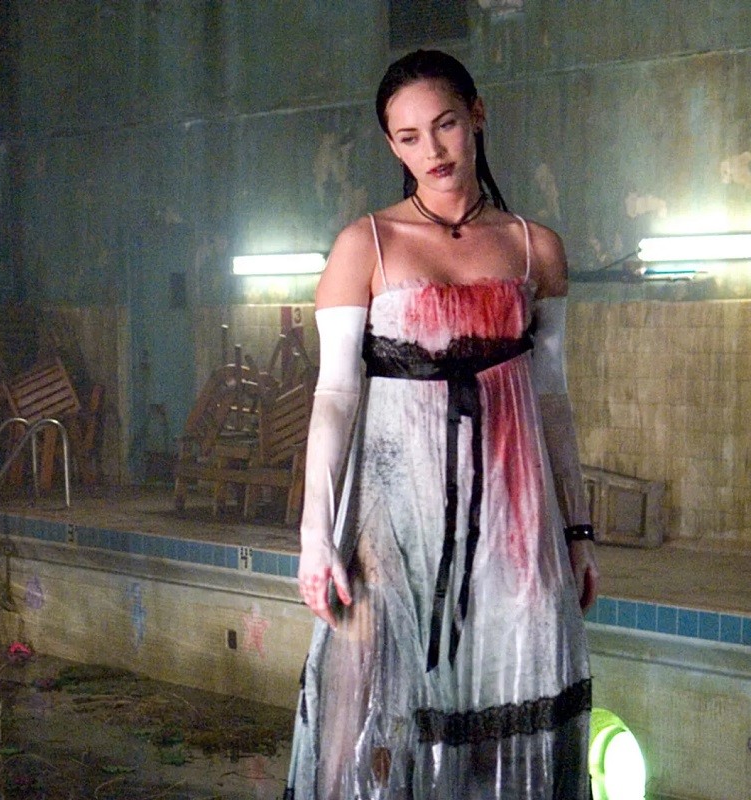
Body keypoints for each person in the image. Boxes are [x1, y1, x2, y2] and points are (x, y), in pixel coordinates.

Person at [283, 49, 599, 799]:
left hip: (516, 522)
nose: (433, 150)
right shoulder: (367, 244)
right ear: (392, 146)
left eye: (446, 124)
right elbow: (335, 396)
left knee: (512, 703)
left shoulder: (535, 248)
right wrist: (315, 535)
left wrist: (578, 530)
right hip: (393, 523)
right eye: (409, 136)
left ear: (477, 116)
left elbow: (551, 399)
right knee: (369, 714)